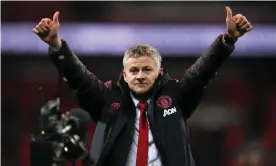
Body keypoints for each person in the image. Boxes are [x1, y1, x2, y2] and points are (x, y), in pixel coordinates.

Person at [33, 6, 253, 166]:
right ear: (125, 75)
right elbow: (80, 78)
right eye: (134, 71)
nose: (140, 76)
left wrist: (227, 40)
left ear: (158, 73)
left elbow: (202, 71)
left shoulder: (175, 95)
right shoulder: (109, 97)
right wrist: (56, 46)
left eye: (146, 70)